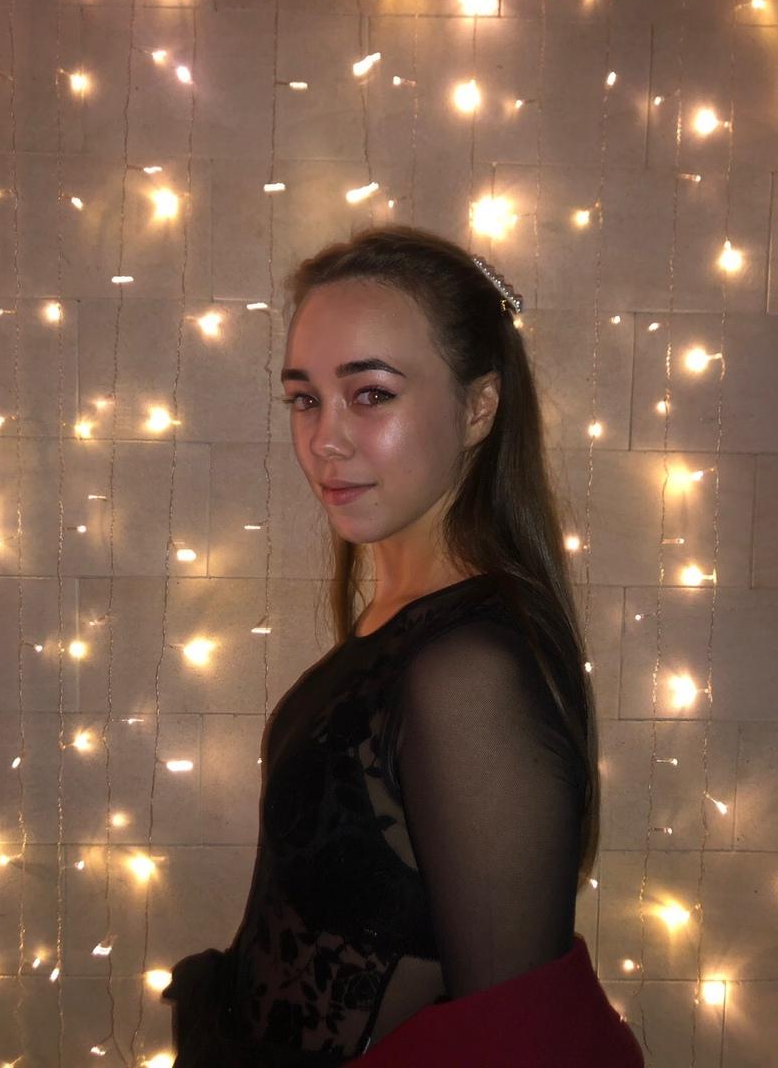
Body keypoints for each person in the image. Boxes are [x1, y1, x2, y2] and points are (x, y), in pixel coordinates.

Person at [161, 224, 644, 1066]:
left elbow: (514, 1042)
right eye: (305, 399)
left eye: (370, 394)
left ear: (478, 407)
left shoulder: (468, 673)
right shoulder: (403, 623)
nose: (325, 438)